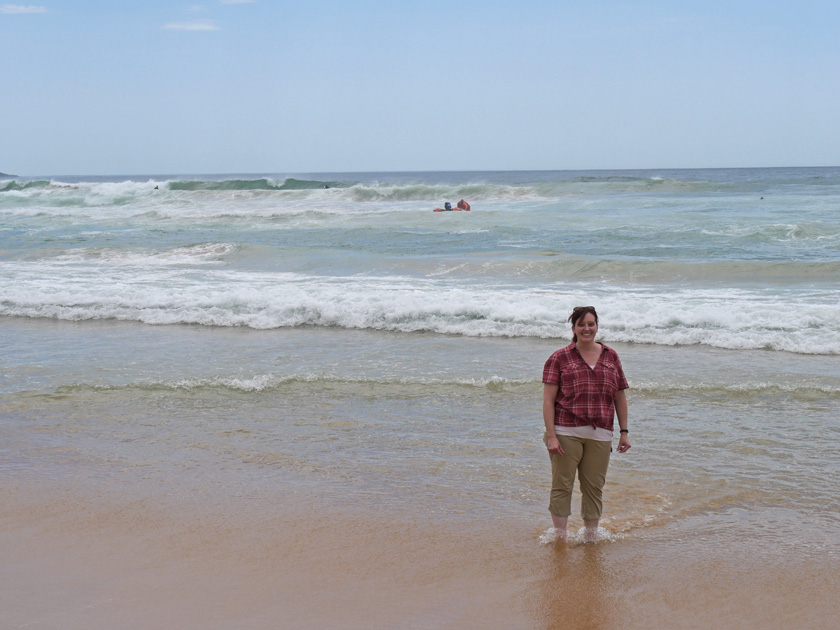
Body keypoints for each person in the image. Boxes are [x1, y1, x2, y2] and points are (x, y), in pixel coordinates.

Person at [542, 305, 630, 541]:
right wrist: (551, 436)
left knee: (593, 488)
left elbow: (619, 396)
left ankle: (591, 536)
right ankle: (559, 536)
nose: (586, 328)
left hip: (601, 433)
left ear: (597, 327)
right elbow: (548, 401)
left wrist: (624, 432)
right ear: (574, 329)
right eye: (581, 325)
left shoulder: (611, 356)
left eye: (591, 324)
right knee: (563, 485)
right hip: (565, 431)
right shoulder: (559, 357)